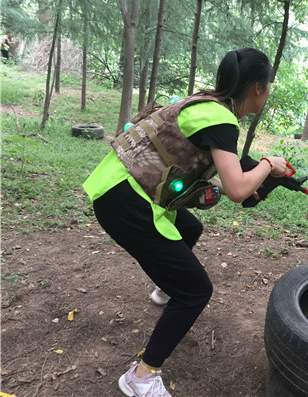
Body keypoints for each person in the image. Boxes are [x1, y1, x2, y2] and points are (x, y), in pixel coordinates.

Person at [83, 47, 288, 397]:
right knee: (196, 291)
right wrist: (269, 163)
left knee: (189, 227)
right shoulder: (222, 121)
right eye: (268, 86)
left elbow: (224, 180)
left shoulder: (206, 104)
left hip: (114, 183)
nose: (267, 93)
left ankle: (167, 286)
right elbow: (237, 190)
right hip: (126, 201)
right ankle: (141, 376)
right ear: (257, 88)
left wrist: (259, 178)